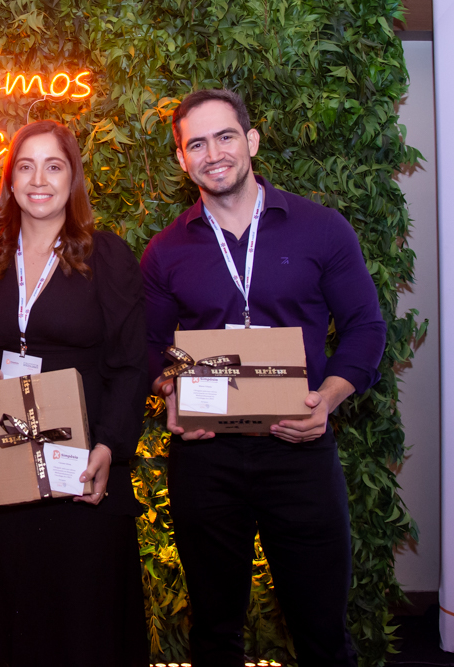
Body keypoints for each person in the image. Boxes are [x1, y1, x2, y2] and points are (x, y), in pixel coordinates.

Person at [140, 89, 386, 666]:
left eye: (225, 136)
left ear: (250, 141)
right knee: (214, 630)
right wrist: (172, 391)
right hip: (207, 457)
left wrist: (327, 400)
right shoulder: (165, 251)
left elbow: (365, 329)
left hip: (299, 451)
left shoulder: (321, 229)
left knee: (322, 630)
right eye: (197, 144)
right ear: (182, 159)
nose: (214, 153)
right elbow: (152, 347)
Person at [0, 119, 150, 666]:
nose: (39, 180)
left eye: (53, 166)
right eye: (26, 166)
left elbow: (130, 365)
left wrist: (110, 447)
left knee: (79, 619)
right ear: (10, 181)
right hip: (2, 463)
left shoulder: (107, 256)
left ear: (73, 179)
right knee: (4, 615)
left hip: (80, 465)